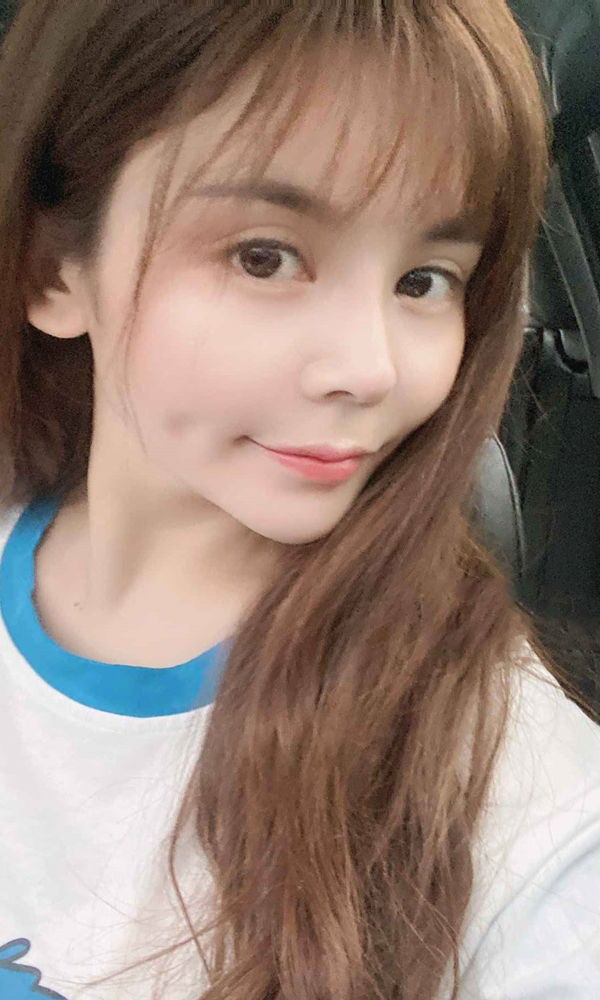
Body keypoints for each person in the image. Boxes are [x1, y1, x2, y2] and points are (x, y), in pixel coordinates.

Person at [0, 1, 598, 997]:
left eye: (424, 279)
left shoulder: (516, 794)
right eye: (264, 256)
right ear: (53, 268)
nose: (370, 368)